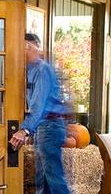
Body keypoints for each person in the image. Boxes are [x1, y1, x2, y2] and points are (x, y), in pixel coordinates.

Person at [9, 33, 69, 194]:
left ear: (30, 46)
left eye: (24, 47)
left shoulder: (42, 70)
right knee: (44, 181)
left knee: (54, 181)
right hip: (46, 127)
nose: (22, 52)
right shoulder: (29, 69)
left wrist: (25, 130)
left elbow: (38, 105)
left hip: (50, 127)